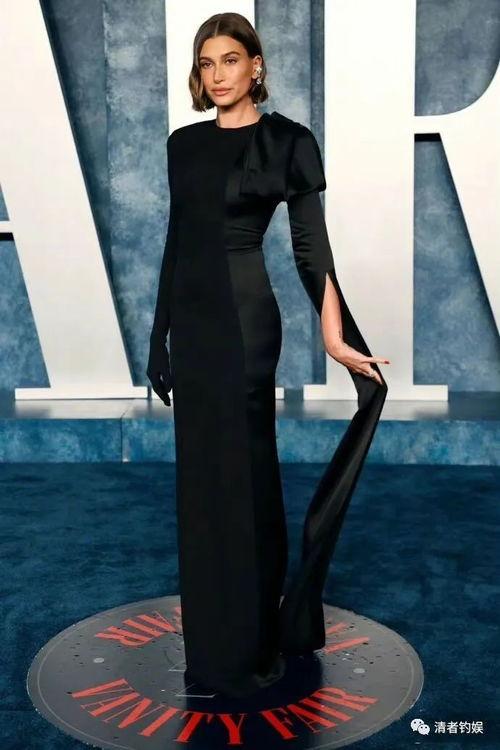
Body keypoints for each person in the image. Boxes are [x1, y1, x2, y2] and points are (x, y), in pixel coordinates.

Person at [147, 11, 389, 699]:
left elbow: (312, 250)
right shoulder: (183, 145)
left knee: (246, 479)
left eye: (230, 59)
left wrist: (335, 336)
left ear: (256, 65)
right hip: (194, 330)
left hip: (246, 325)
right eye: (206, 63)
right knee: (201, 486)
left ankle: (253, 643)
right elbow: (177, 240)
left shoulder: (288, 141)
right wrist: (158, 336)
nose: (217, 74)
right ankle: (212, 648)